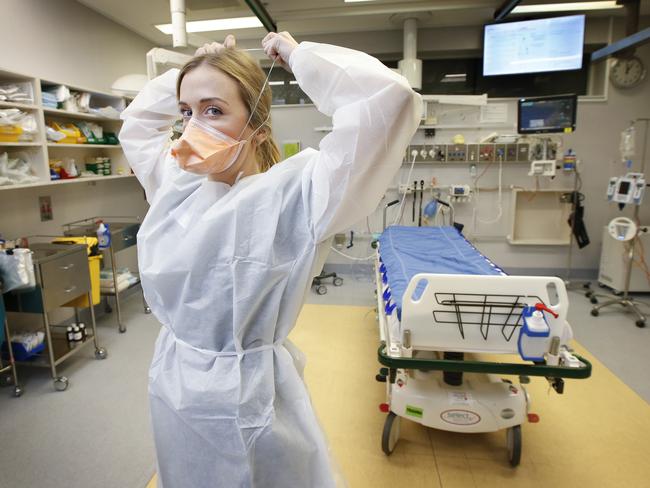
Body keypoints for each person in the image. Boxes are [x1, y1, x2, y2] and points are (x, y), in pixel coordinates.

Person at [120, 31, 421, 487]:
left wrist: (301, 58)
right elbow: (138, 125)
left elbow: (388, 101)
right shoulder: (174, 184)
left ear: (257, 127)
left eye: (214, 111)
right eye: (186, 113)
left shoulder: (299, 195)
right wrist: (198, 69)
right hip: (174, 383)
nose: (192, 128)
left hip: (249, 395)